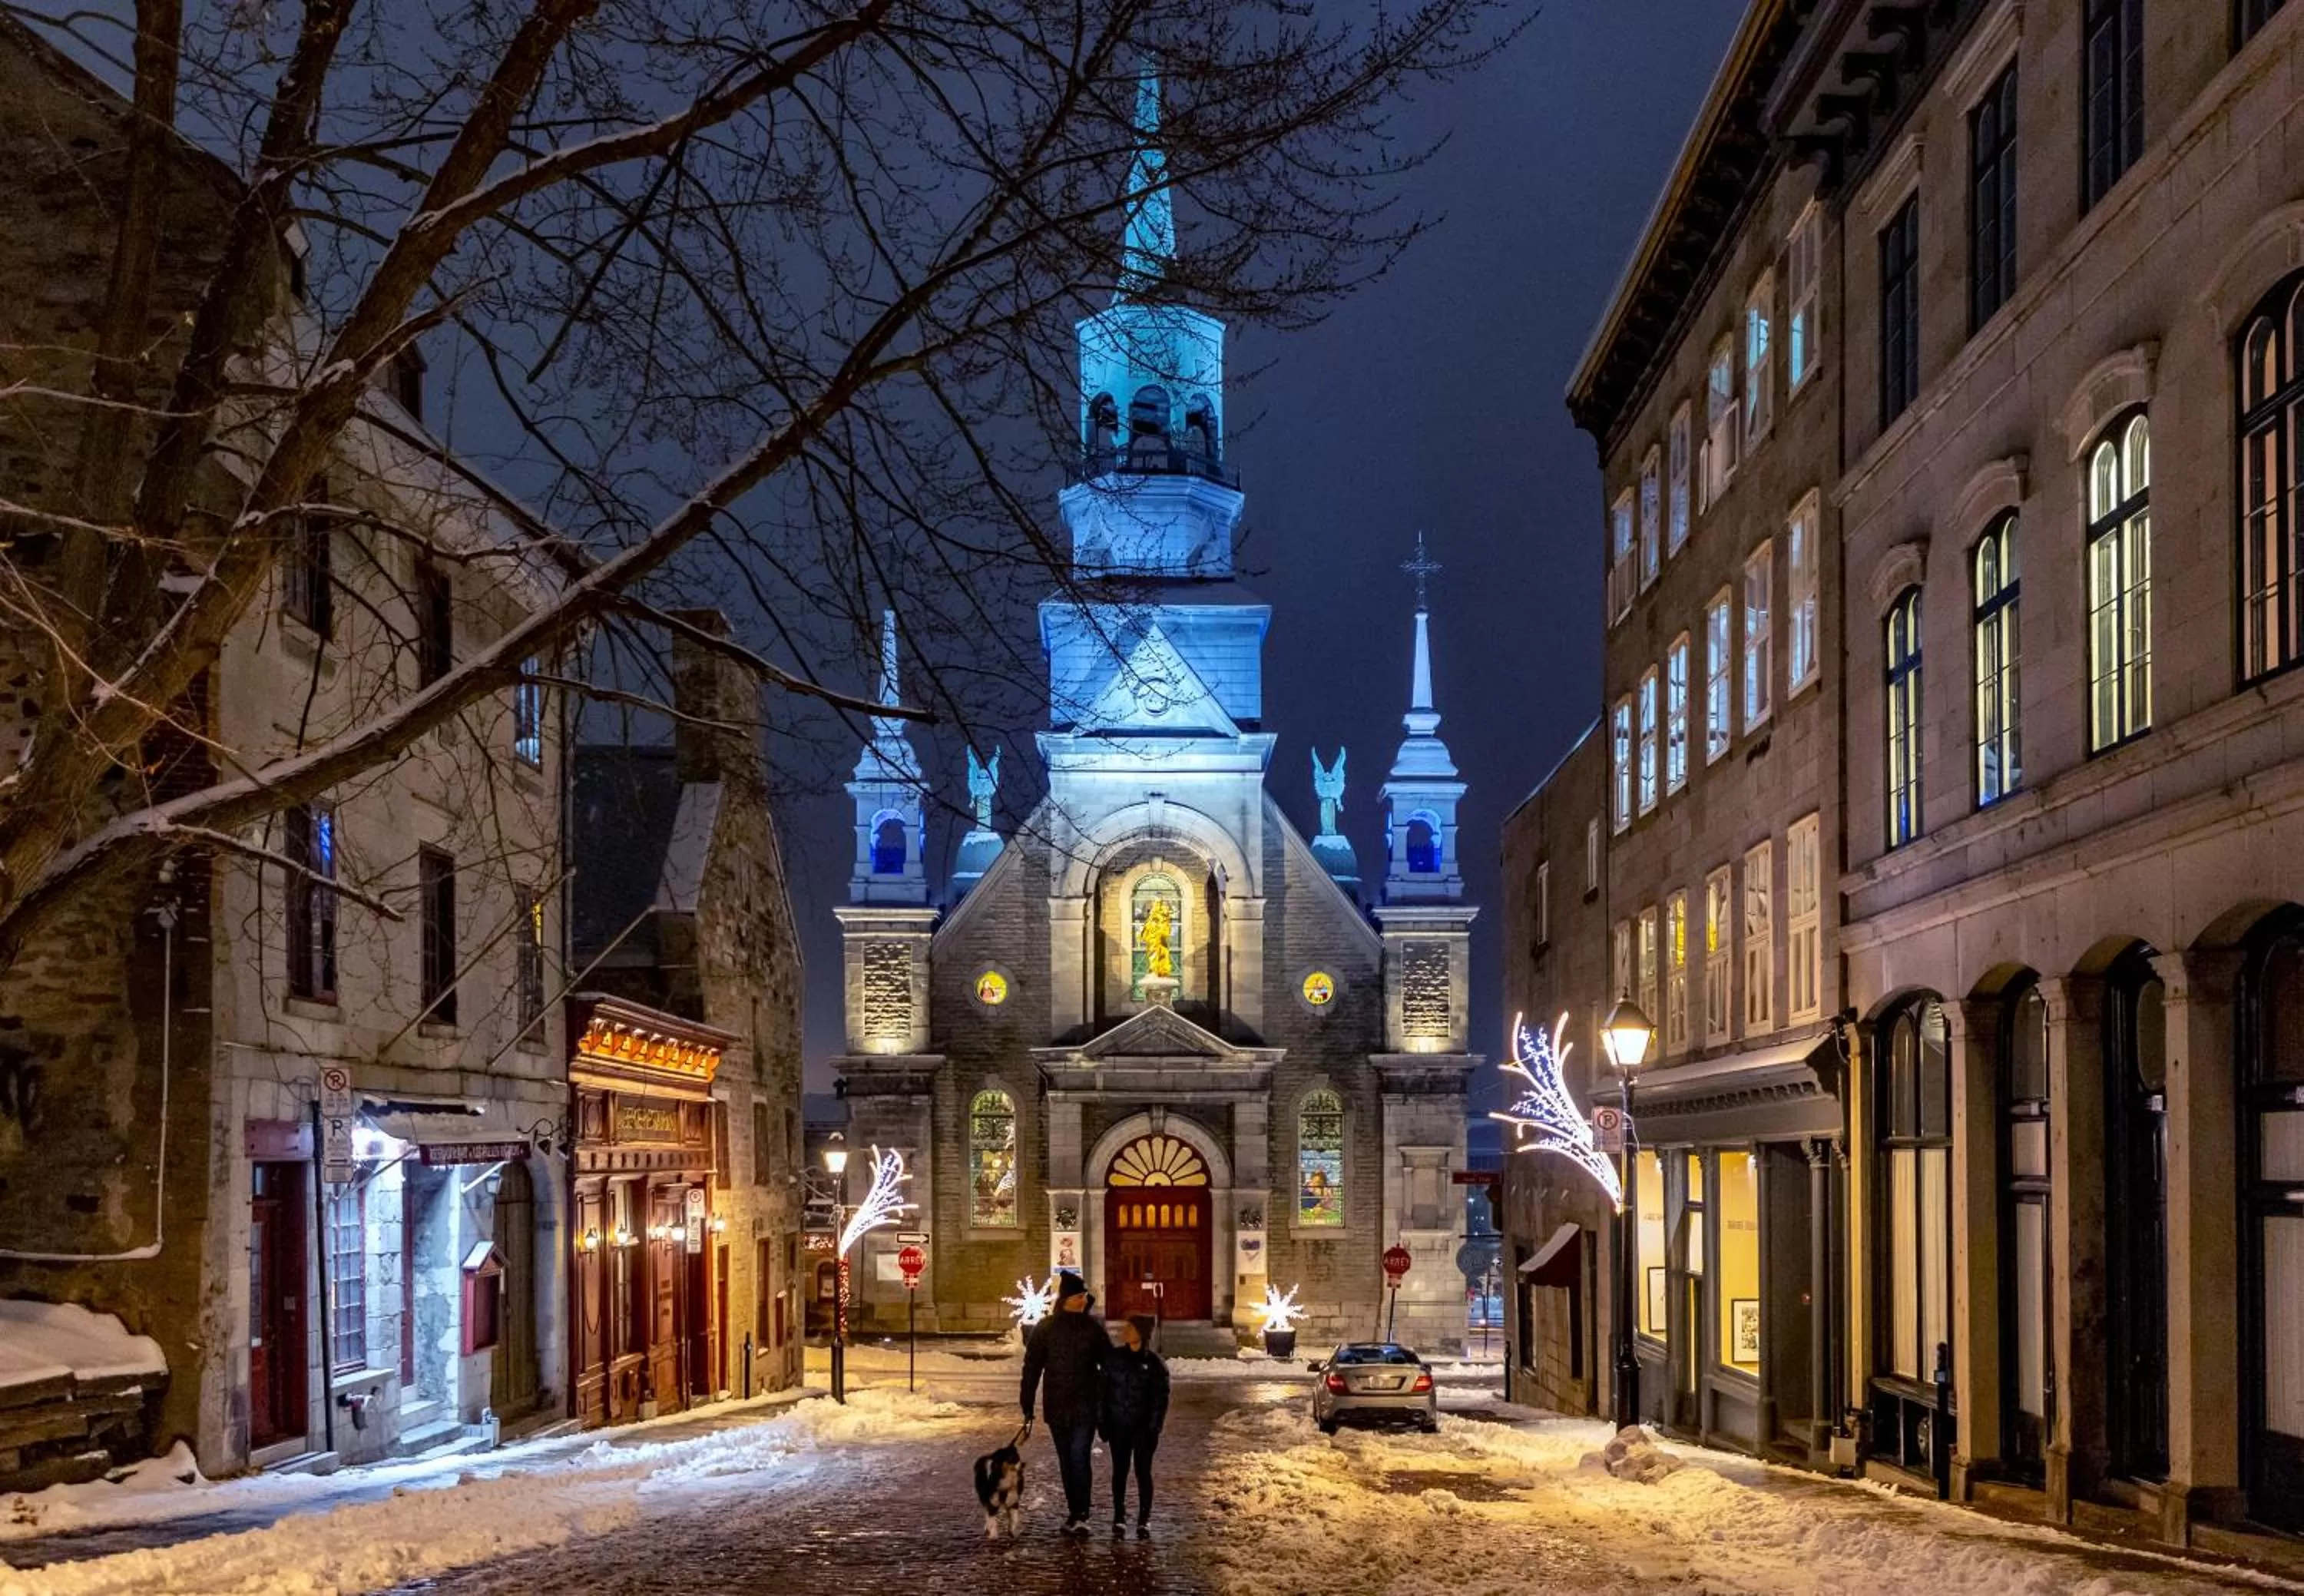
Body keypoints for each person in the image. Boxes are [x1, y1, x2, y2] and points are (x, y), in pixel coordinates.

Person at [1020, 1271, 1106, 1535]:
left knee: (1080, 1457)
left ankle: (1082, 1514)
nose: (1083, 1301)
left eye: (1084, 1297)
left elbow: (1111, 1364)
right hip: (1056, 1405)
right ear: (1067, 1299)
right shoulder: (1046, 1329)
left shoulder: (1093, 1329)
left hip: (1085, 1406)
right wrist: (1026, 1403)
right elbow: (1032, 1367)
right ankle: (1074, 1511)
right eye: (1079, 1296)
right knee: (1067, 1460)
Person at [1099, 1314, 1170, 1537]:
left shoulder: (1155, 1364)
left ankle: (1144, 1519)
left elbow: (1161, 1398)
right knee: (1119, 1472)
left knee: (1142, 1472)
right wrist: (1103, 1421)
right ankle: (1119, 1517)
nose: (1124, 1331)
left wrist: (1154, 1427)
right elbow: (1102, 1392)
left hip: (1143, 1430)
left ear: (1141, 1333)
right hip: (1119, 1427)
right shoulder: (1114, 1359)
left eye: (1130, 1327)